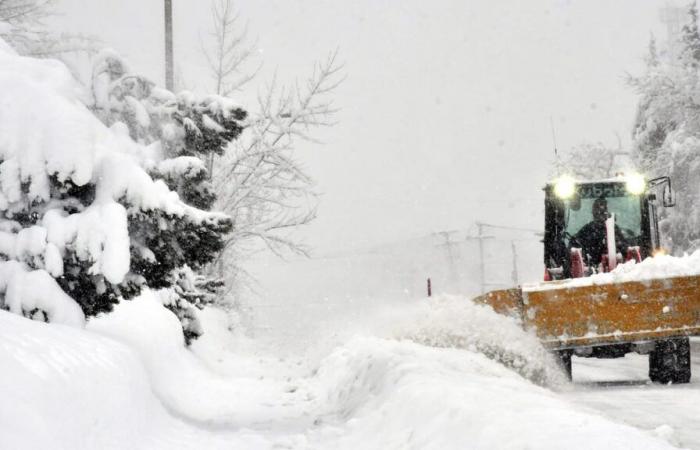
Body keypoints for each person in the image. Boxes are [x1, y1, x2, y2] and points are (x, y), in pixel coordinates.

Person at [572, 197, 627, 266]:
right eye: (598, 212)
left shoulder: (614, 230)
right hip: (590, 273)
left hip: (617, 271)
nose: (600, 215)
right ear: (593, 213)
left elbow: (625, 250)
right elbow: (574, 250)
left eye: (602, 212)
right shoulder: (585, 231)